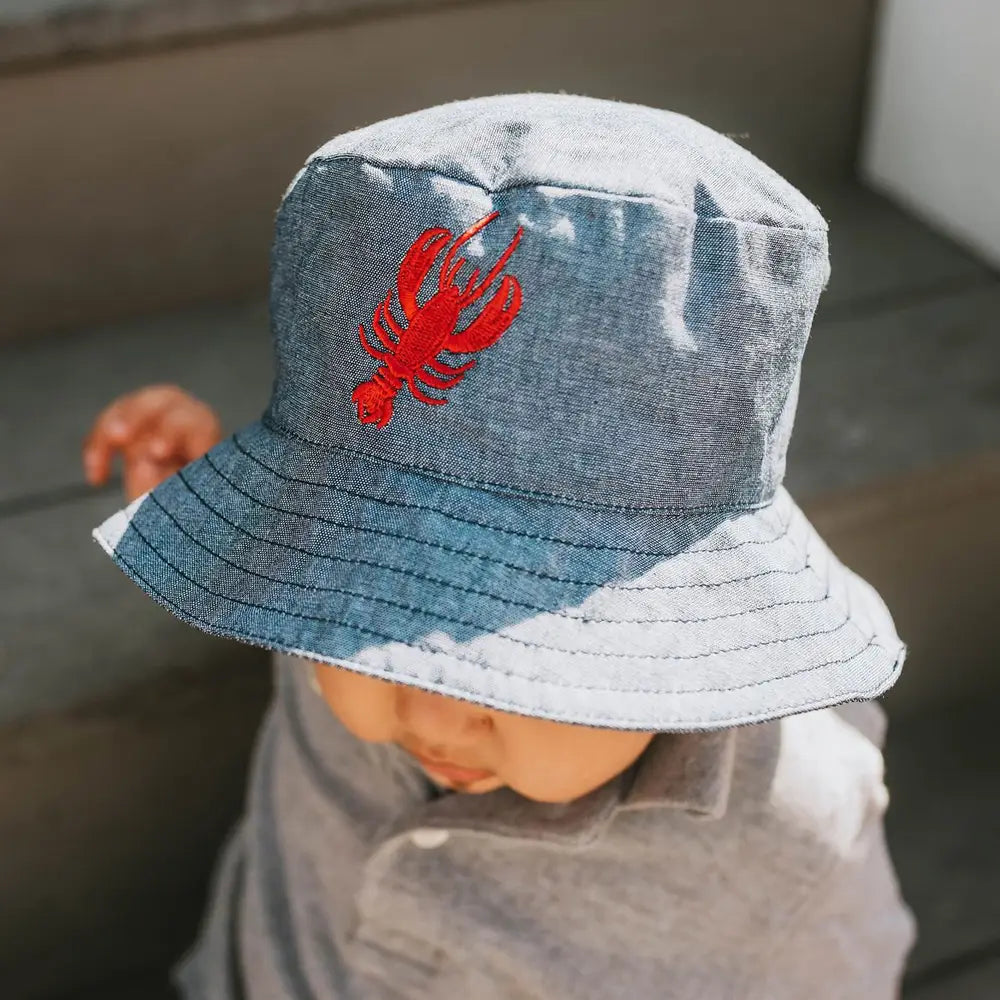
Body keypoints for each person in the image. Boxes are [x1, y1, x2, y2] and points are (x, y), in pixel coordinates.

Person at [83, 94, 916, 999]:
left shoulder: (797, 841)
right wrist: (218, 494)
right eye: (382, 601)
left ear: (687, 631)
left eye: (519, 633)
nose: (435, 715)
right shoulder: (309, 599)